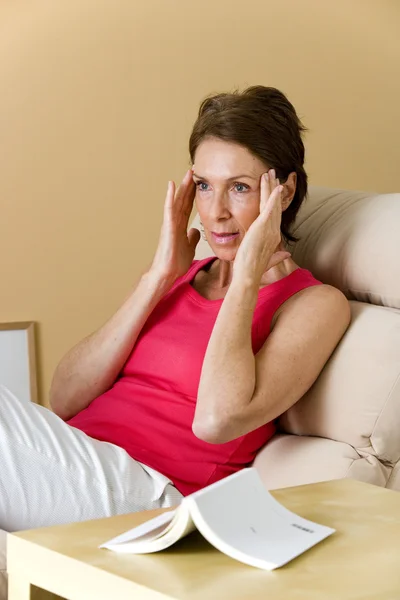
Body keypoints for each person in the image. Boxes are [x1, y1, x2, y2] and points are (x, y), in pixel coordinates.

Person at [0, 86, 350, 533]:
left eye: (239, 188)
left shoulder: (315, 303)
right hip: (76, 470)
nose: (216, 213)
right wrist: (157, 278)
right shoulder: (183, 276)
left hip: (153, 497)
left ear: (284, 192)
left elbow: (216, 421)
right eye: (204, 186)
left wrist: (246, 276)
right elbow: (65, 399)